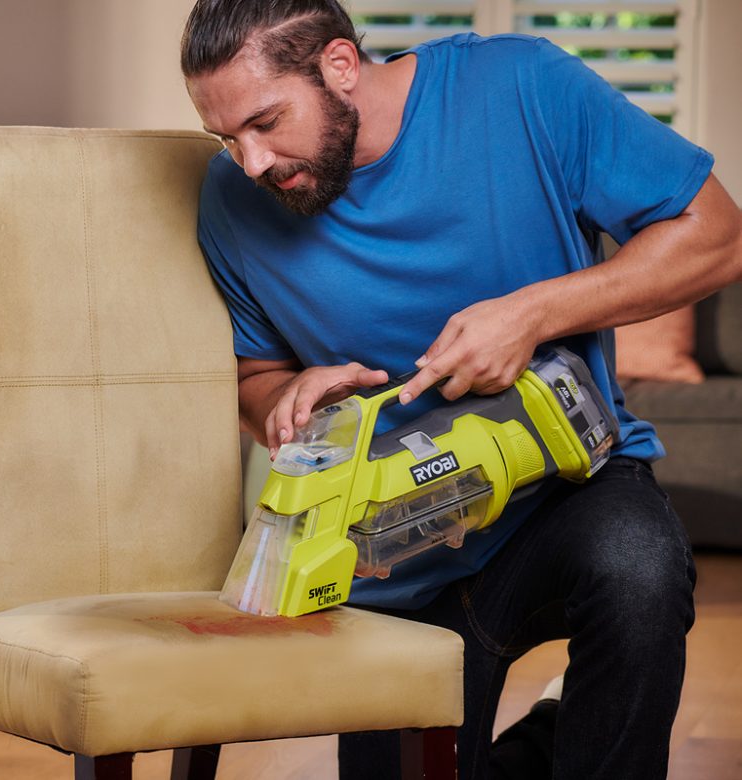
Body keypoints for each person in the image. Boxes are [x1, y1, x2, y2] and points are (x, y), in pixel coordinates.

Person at [179, 1, 742, 778]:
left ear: (340, 66)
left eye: (267, 121)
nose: (252, 162)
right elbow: (256, 376)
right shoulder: (231, 200)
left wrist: (533, 312)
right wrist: (287, 397)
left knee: (638, 565)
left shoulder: (521, 88)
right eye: (227, 137)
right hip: (387, 554)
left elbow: (718, 232)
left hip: (561, 493)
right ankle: (549, 745)